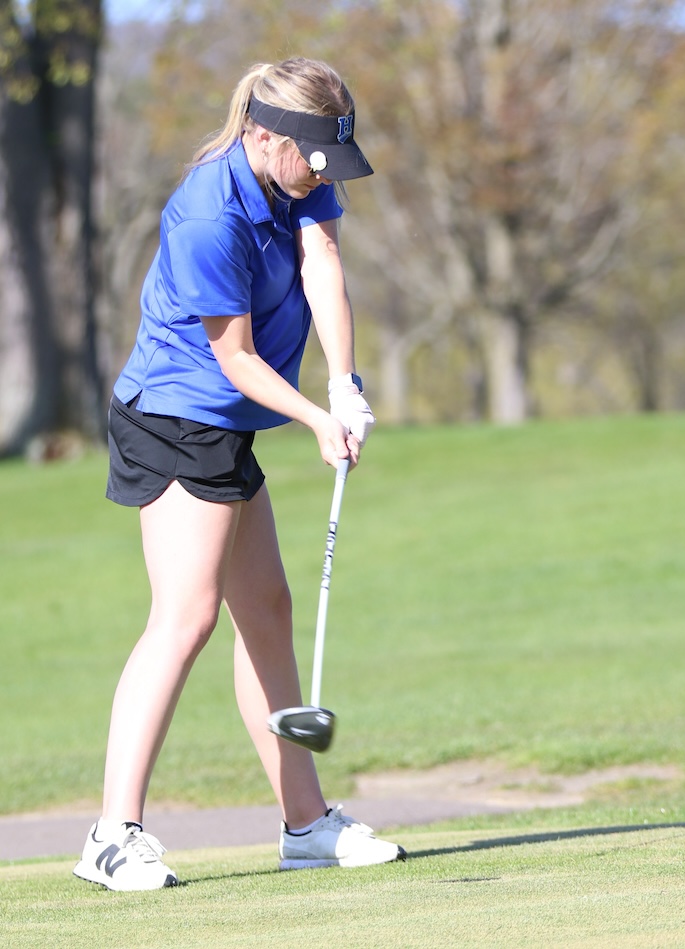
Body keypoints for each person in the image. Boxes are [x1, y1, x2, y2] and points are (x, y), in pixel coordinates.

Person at [73, 57, 405, 892]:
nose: (322, 177)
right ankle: (111, 834)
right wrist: (317, 419)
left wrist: (344, 381)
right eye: (313, 161)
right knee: (185, 617)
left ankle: (306, 824)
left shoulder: (298, 178)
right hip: (175, 418)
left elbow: (321, 258)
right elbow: (237, 358)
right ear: (263, 136)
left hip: (221, 424)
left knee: (266, 608)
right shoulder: (205, 215)